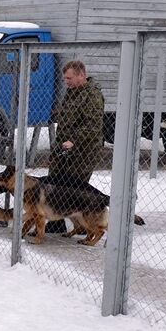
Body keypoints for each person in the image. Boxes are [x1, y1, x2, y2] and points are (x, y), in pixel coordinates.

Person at [45, 59, 106, 231]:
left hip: (82, 153)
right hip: (63, 150)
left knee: (74, 190)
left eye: (69, 78)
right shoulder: (72, 92)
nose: (66, 82)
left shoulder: (92, 94)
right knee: (55, 185)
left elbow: (93, 125)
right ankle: (56, 223)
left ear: (81, 75)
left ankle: (84, 226)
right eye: (65, 78)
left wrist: (74, 141)